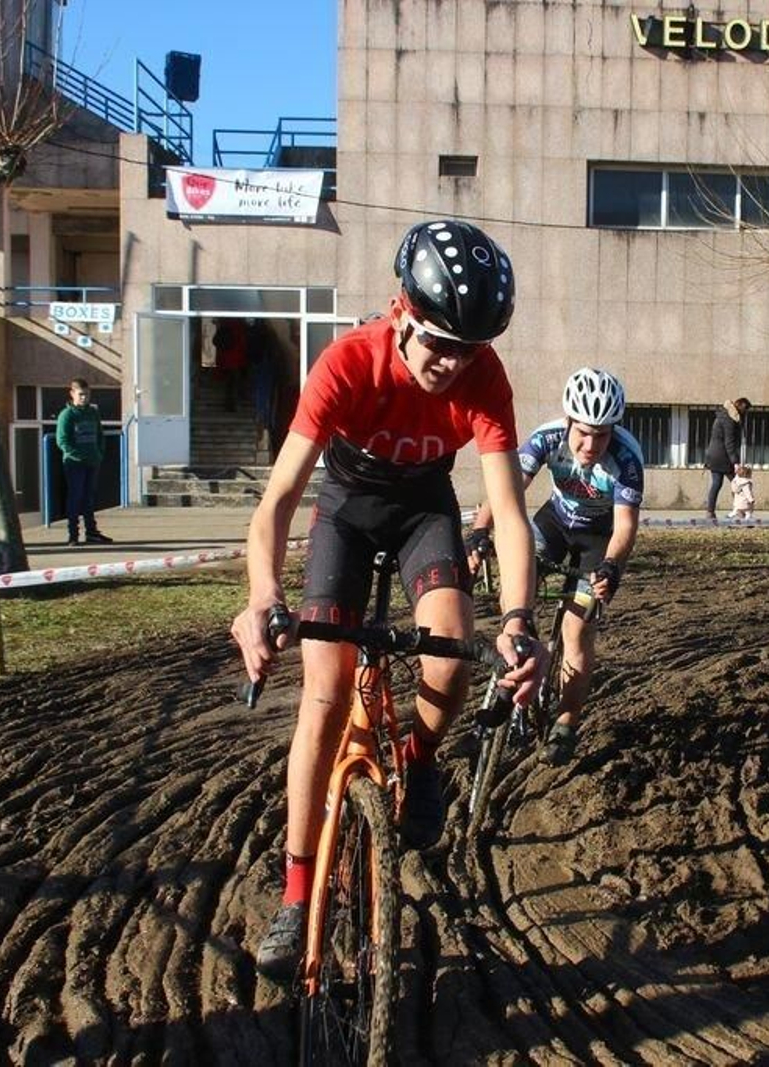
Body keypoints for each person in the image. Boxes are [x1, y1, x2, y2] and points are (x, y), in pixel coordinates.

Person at [230, 219, 546, 978]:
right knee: (327, 691)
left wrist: (520, 624)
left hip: (422, 513)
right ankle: (296, 894)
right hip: (344, 510)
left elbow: (506, 511)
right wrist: (261, 594)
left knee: (451, 658)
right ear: (401, 310)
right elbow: (276, 501)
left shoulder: (483, 377)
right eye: (437, 341)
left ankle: (421, 758)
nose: (449, 363)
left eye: (465, 349)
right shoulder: (347, 363)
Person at [467, 366, 643, 767]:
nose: (590, 444)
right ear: (567, 422)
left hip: (599, 538)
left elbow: (625, 527)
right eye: (582, 432)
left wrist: (612, 567)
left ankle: (565, 723)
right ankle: (512, 665)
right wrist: (480, 530)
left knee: (577, 630)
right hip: (556, 522)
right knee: (516, 585)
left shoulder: (627, 458)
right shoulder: (546, 438)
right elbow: (506, 489)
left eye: (602, 435)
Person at [54, 379, 113, 546]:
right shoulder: (67, 415)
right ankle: (73, 534)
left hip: (92, 462)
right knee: (75, 497)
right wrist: (78, 455)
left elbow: (100, 435)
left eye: (87, 394)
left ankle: (92, 532)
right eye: (81, 395)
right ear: (72, 394)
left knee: (89, 498)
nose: (84, 398)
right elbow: (62, 441)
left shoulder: (93, 412)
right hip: (74, 464)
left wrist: (98, 453)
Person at [704, 396, 750, 520]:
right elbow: (729, 442)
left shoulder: (724, 415)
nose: (745, 414)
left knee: (716, 484)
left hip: (714, 456)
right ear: (741, 408)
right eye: (746, 411)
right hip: (723, 457)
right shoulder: (730, 419)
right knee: (739, 484)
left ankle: (710, 512)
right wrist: (735, 462)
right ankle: (740, 511)